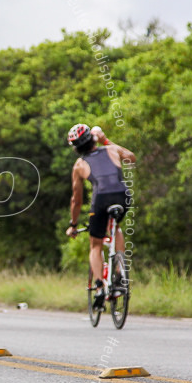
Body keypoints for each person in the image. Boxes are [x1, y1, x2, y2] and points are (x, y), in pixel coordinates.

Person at [65, 124, 136, 309]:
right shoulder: (111, 149)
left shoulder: (79, 165)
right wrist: (105, 139)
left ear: (76, 148)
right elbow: (131, 158)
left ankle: (99, 286)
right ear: (93, 139)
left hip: (102, 199)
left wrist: (73, 224)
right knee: (116, 227)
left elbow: (76, 200)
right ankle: (120, 271)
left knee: (95, 245)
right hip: (123, 195)